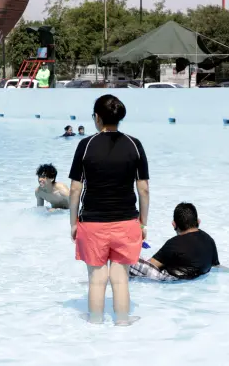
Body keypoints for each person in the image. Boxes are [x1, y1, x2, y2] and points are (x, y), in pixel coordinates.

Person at [69, 94, 149, 326]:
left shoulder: (85, 145)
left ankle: (94, 321)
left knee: (96, 278)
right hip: (126, 222)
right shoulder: (135, 144)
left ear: (97, 117)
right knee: (120, 277)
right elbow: (143, 189)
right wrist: (143, 222)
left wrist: (73, 222)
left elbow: (75, 189)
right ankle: (123, 321)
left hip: (92, 223)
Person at [130, 203, 220, 281]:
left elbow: (151, 265)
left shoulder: (174, 243)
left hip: (171, 280)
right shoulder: (209, 240)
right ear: (198, 221)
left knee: (127, 259)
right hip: (195, 277)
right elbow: (216, 266)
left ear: (174, 224)